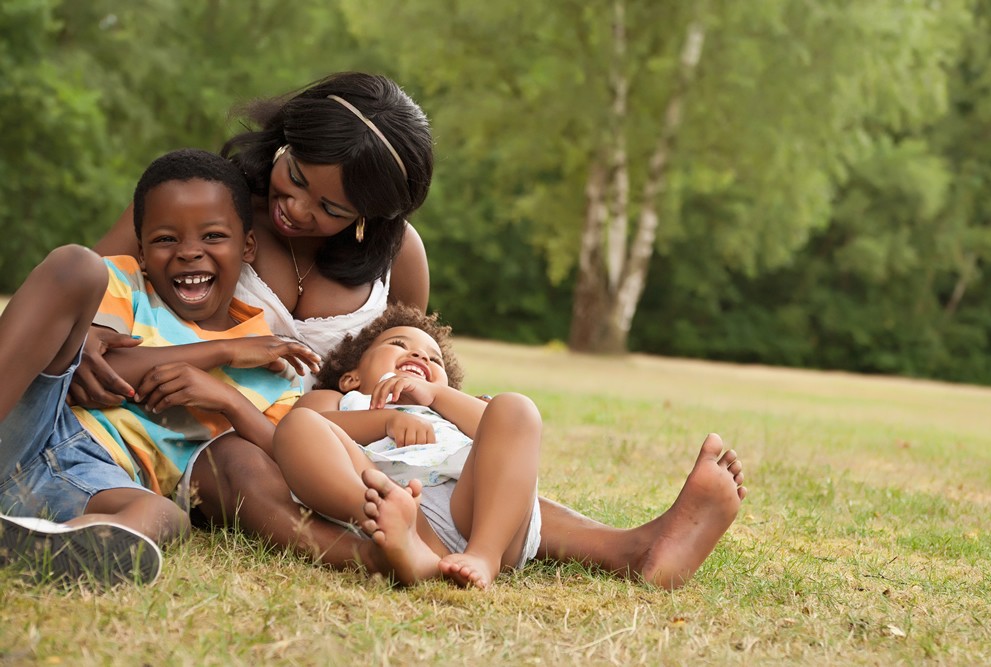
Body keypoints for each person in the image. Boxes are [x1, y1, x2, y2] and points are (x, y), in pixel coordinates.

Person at [78, 72, 747, 589]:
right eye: (294, 173)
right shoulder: (210, 203)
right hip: (214, 438)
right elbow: (98, 282)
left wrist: (423, 418)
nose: (294, 207)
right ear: (284, 141)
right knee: (241, 462)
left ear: (371, 218)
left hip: (350, 446)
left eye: (330, 206)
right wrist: (90, 339)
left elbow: (415, 370)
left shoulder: (400, 260)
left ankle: (635, 548)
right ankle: (382, 554)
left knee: (447, 466)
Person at [0, 149, 320, 585]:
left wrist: (228, 400)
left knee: (165, 516)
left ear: (247, 245)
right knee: (76, 265)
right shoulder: (127, 284)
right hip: (37, 421)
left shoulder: (274, 370)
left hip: (99, 479)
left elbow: (286, 456)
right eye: (166, 239)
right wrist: (221, 352)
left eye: (212, 237)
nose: (190, 252)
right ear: (144, 252)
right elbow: (103, 371)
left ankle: (49, 546)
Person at [273, 305, 542, 589]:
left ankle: (483, 556)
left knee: (516, 407)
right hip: (395, 507)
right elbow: (316, 424)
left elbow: (509, 432)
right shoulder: (344, 399)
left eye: (434, 359)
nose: (420, 355)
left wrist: (438, 395)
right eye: (398, 344)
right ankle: (407, 543)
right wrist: (387, 419)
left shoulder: (449, 407)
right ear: (352, 377)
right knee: (299, 424)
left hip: (478, 514)